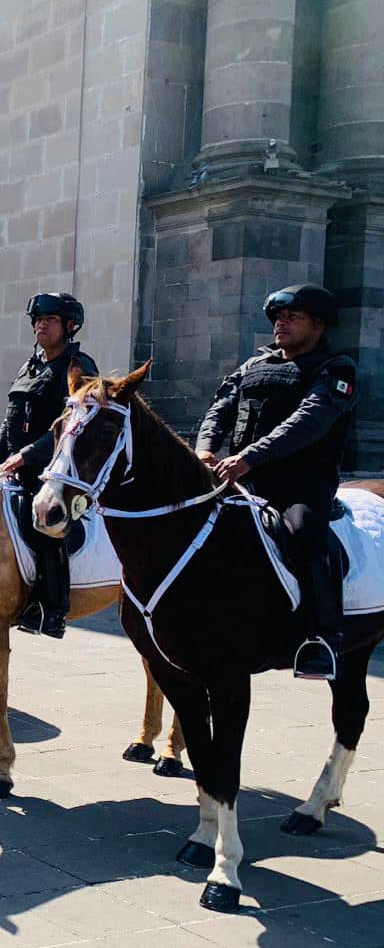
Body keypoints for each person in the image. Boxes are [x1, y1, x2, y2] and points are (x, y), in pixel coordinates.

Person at [196, 284, 358, 680]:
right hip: (238, 480)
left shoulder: (337, 369)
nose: (280, 324)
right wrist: (203, 449)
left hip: (300, 485)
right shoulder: (253, 365)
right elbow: (221, 408)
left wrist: (250, 457)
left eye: (292, 317)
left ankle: (322, 638)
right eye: (277, 318)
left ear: (318, 325)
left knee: (305, 534)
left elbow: (309, 420)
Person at [0, 293, 98, 639]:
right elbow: (10, 422)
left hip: (58, 470)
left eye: (50, 319)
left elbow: (74, 423)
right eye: (37, 319)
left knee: (44, 521)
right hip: (19, 466)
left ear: (69, 325)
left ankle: (53, 608)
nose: (41, 324)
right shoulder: (29, 366)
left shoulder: (80, 366)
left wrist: (29, 455)